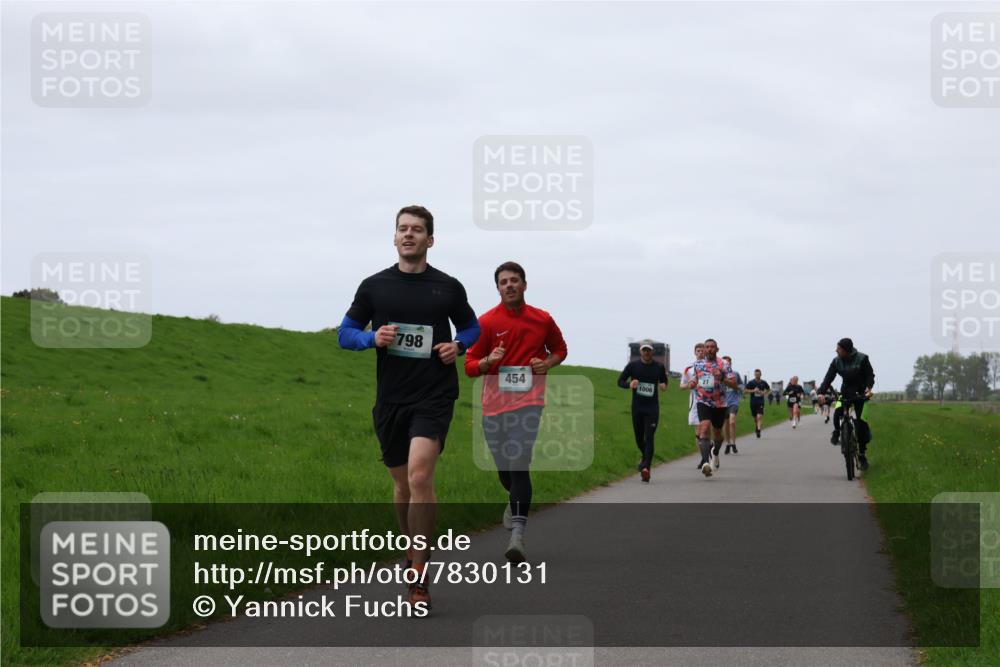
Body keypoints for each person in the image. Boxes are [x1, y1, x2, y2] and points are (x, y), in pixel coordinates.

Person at [338, 205, 480, 609]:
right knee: (401, 485)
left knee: (420, 478)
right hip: (391, 399)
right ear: (395, 237)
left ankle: (419, 574)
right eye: (403, 229)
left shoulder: (448, 287)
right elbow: (344, 333)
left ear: (430, 240)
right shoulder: (373, 287)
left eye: (417, 230)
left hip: (434, 393)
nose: (409, 235)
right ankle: (411, 550)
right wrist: (371, 338)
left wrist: (459, 345)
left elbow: (471, 326)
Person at [464, 261, 567, 563]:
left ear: (524, 284)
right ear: (497, 288)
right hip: (494, 406)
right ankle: (513, 499)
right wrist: (487, 362)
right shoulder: (486, 322)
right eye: (503, 282)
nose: (509, 285)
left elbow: (560, 349)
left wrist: (546, 364)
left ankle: (517, 537)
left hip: (529, 403)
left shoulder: (542, 319)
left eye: (514, 280)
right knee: (505, 469)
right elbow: (470, 365)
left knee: (519, 462)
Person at [817, 337, 875, 470]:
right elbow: (828, 378)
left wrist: (868, 388)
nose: (836, 350)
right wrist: (821, 392)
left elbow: (870, 375)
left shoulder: (862, 358)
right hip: (845, 392)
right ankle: (838, 431)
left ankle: (861, 454)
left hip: (861, 393)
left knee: (861, 424)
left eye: (839, 348)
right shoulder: (836, 361)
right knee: (837, 413)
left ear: (846, 350)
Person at [618, 340, 668, 482]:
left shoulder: (658, 366)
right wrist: (630, 385)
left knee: (649, 437)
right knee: (639, 439)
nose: (646, 352)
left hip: (652, 408)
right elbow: (620, 381)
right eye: (644, 350)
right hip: (637, 407)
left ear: (652, 352)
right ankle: (645, 459)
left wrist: (664, 385)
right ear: (640, 352)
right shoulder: (633, 366)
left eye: (649, 350)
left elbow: (664, 381)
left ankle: (646, 468)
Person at [687, 338, 738, 476]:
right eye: (707, 347)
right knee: (704, 428)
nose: (709, 349)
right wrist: (692, 383)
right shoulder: (698, 364)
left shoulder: (724, 364)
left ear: (717, 349)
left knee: (717, 434)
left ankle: (714, 453)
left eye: (712, 347)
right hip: (703, 401)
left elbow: (734, 385)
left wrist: (722, 377)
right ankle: (705, 462)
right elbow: (695, 379)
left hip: (720, 403)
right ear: (703, 349)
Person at [680, 342, 706, 468]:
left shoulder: (710, 366)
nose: (700, 353)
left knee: (705, 429)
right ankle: (703, 457)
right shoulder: (688, 368)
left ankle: (709, 452)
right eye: (698, 351)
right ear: (695, 353)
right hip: (695, 401)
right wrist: (689, 385)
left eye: (702, 350)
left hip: (708, 400)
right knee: (698, 430)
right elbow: (682, 386)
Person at [721, 355, 744, 454]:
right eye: (725, 363)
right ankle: (728, 443)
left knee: (732, 422)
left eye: (728, 363)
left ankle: (734, 443)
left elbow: (742, 385)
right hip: (723, 402)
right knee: (725, 424)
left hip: (733, 401)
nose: (727, 364)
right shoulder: (719, 375)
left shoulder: (736, 374)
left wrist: (737, 387)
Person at [744, 369, 771, 438]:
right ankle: (757, 427)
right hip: (753, 402)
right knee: (755, 418)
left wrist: (764, 393)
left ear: (760, 374)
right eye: (756, 374)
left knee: (759, 416)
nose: (757, 375)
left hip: (760, 402)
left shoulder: (763, 382)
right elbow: (745, 391)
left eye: (758, 374)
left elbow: (769, 390)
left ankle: (758, 430)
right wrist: (753, 391)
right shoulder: (751, 382)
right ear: (754, 375)